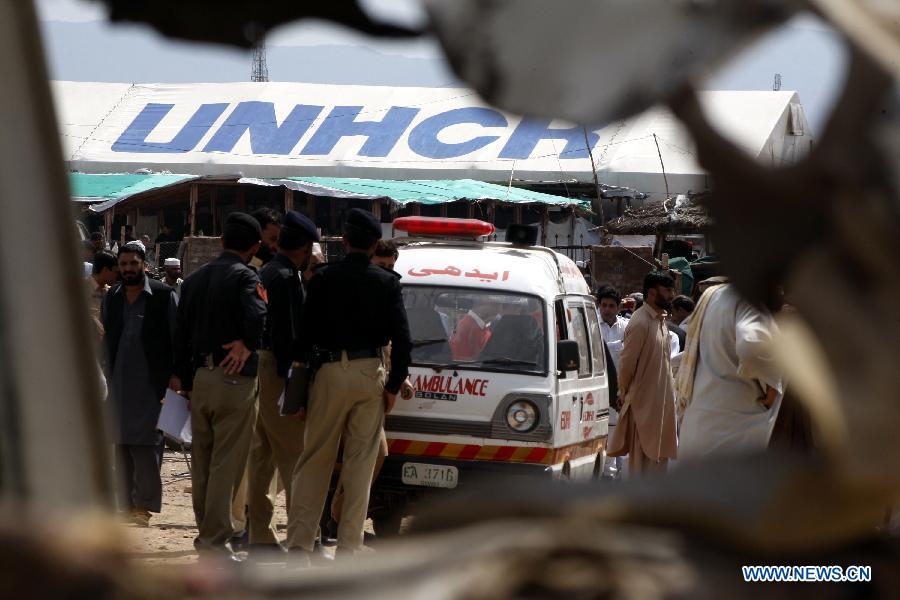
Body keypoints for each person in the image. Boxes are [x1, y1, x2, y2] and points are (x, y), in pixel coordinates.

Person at [286, 208, 411, 565]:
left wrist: (300, 385)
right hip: (369, 372)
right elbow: (403, 340)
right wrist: (393, 385)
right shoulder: (388, 283)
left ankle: (298, 545)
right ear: (375, 245)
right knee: (359, 466)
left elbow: (303, 337)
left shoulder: (322, 279)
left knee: (314, 461)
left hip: (327, 371)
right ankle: (349, 547)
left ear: (344, 241)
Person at [174, 212, 267, 561]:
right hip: (234, 379)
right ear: (254, 246)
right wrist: (247, 343)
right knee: (227, 465)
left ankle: (206, 536)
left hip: (200, 379)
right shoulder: (247, 276)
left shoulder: (195, 280)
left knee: (203, 462)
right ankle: (214, 543)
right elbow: (258, 316)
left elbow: (180, 333)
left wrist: (183, 378)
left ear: (223, 241)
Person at [246, 211, 319, 557]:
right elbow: (288, 335)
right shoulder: (288, 278)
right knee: (295, 457)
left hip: (260, 365)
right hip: (279, 369)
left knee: (262, 457)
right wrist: (296, 386)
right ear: (304, 247)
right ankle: (304, 540)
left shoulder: (267, 270)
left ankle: (260, 534)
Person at [102, 241, 178, 528]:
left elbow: (177, 337)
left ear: (144, 265)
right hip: (119, 381)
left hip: (151, 382)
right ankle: (125, 505)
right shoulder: (114, 298)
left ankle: (142, 507)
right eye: (123, 265)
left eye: (133, 264)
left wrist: (176, 375)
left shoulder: (162, 296)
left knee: (147, 445)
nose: (128, 269)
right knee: (120, 444)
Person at [676, 284, 783, 461]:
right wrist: (773, 387)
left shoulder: (713, 296)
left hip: (699, 426)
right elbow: (751, 347)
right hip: (734, 436)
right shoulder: (749, 299)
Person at [607, 272, 678, 476]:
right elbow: (626, 365)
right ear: (652, 293)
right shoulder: (640, 323)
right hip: (643, 406)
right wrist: (623, 393)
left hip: (661, 406)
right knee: (642, 465)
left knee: (658, 464)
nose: (672, 295)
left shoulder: (660, 320)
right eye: (667, 291)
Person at [86, 250, 119, 339]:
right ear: (105, 270)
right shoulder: (80, 290)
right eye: (115, 271)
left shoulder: (110, 292)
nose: (117, 275)